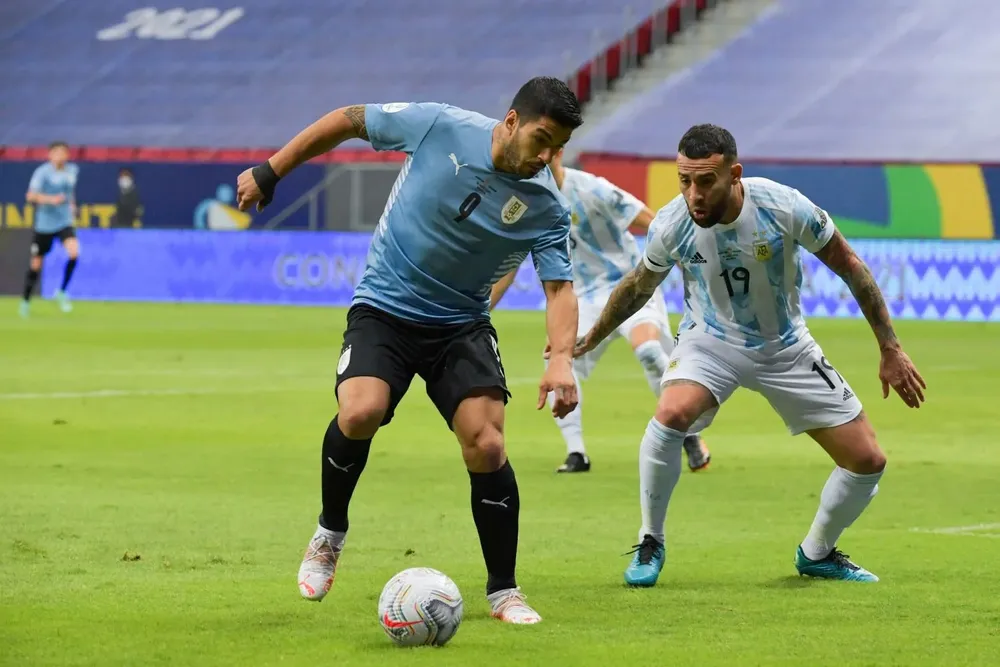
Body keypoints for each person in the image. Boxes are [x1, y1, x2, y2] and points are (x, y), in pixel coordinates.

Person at [235, 77, 584, 625]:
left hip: (460, 325)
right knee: (360, 411)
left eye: (556, 148)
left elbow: (559, 289)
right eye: (540, 139)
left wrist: (560, 358)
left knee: (488, 443)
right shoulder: (439, 124)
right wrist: (270, 169)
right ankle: (329, 533)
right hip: (385, 308)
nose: (545, 157)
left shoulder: (545, 206)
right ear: (512, 121)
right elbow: (350, 118)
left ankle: (503, 592)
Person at [574, 124, 926, 587]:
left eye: (705, 181)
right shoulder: (672, 224)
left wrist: (890, 347)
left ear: (734, 174)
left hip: (786, 346)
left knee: (867, 461)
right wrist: (591, 337)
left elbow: (851, 267)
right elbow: (639, 287)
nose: (693, 194)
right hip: (710, 341)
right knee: (672, 411)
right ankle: (650, 539)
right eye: (684, 180)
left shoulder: (783, 206)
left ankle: (816, 552)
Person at [490, 150, 711, 473]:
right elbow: (509, 266)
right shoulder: (528, 204)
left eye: (545, 151)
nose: (538, 159)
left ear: (559, 153)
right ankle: (577, 453)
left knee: (649, 350)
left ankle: (689, 434)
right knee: (559, 362)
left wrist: (683, 265)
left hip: (629, 287)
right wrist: (481, 308)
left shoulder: (593, 189)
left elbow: (649, 220)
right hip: (583, 299)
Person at [20, 141, 80, 317]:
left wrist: (72, 206)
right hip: (44, 224)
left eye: (64, 153)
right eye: (57, 153)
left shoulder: (72, 171)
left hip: (64, 221)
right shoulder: (42, 173)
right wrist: (51, 199)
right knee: (36, 264)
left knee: (74, 253)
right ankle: (25, 300)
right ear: (50, 155)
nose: (61, 156)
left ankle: (61, 292)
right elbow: (31, 195)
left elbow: (70, 193)